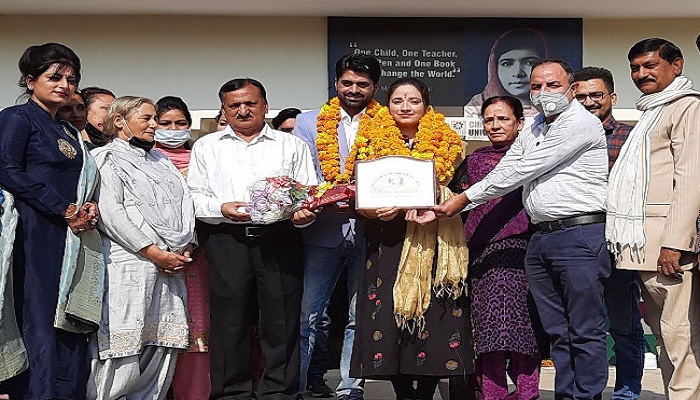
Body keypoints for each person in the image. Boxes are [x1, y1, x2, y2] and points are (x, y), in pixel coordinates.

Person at [427, 60, 610, 399]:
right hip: (542, 238)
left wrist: (462, 199)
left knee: (584, 329)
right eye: (536, 87)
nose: (543, 93)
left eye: (552, 85)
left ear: (572, 88)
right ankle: (566, 394)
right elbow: (510, 163)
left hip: (578, 235)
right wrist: (459, 202)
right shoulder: (538, 126)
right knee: (557, 330)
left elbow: (524, 168)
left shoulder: (579, 124)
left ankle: (587, 396)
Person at [188, 78, 317, 399]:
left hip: (279, 239)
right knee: (229, 323)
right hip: (226, 238)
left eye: (250, 104)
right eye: (234, 105)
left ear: (265, 106)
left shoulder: (292, 146)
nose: (243, 111)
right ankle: (231, 393)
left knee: (282, 321)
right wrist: (221, 207)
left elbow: (308, 193)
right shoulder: (207, 146)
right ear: (224, 110)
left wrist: (305, 213)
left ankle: (279, 393)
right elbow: (193, 196)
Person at [350, 77, 471, 400]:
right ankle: (402, 391)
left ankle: (426, 391)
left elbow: (461, 194)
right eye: (397, 100)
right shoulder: (369, 142)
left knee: (435, 315)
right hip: (385, 240)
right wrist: (375, 212)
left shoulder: (449, 143)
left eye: (413, 101)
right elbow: (355, 197)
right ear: (387, 106)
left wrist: (437, 198)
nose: (405, 107)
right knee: (387, 317)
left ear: (426, 106)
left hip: (433, 238)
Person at [0, 42, 102, 399]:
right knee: (39, 316)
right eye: (54, 77)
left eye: (71, 79)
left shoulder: (67, 129)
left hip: (71, 234)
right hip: (33, 231)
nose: (64, 85)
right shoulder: (16, 118)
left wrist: (88, 206)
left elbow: (84, 180)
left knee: (68, 316)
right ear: (30, 81)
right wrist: (62, 208)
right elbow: (7, 169)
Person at [607, 38, 700, 399]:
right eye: (635, 68)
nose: (641, 74)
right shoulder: (651, 111)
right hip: (646, 249)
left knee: (680, 337)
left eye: (650, 65)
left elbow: (690, 178)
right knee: (664, 337)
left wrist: (674, 244)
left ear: (676, 66)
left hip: (668, 249)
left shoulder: (686, 107)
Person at [87, 96, 195, 398]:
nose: (153, 125)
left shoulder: (161, 160)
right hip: (129, 264)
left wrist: (186, 246)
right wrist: (152, 252)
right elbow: (112, 213)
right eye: (146, 118)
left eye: (154, 119)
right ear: (120, 121)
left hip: (171, 265)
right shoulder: (105, 157)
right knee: (123, 346)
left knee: (162, 345)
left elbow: (186, 203)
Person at [293, 54, 382, 400]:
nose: (354, 89)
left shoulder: (386, 121)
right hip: (322, 229)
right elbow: (302, 172)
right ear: (336, 83)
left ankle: (350, 386)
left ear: (374, 87)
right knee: (310, 315)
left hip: (371, 230)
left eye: (362, 84)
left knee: (360, 315)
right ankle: (300, 384)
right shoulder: (308, 122)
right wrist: (330, 195)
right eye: (347, 82)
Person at [449, 95, 541, 400]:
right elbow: (459, 203)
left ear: (519, 123)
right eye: (489, 120)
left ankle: (527, 392)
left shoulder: (532, 158)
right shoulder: (475, 160)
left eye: (503, 119)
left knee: (519, 328)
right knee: (487, 330)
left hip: (519, 250)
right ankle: (493, 393)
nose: (495, 125)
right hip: (480, 252)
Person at [573, 66, 646, 400]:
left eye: (597, 95)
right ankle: (587, 392)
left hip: (620, 241)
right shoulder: (565, 138)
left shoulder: (631, 136)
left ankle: (627, 393)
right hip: (576, 242)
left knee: (625, 324)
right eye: (582, 95)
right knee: (583, 328)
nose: (589, 102)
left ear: (612, 98)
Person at [153, 96, 212, 399]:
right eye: (165, 124)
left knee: (197, 322)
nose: (173, 130)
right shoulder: (146, 160)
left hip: (198, 255)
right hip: (153, 256)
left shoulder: (202, 158)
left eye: (180, 124)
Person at [465, 28, 549, 117]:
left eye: (529, 63)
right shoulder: (477, 106)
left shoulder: (559, 104)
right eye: (507, 64)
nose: (518, 73)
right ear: (494, 69)